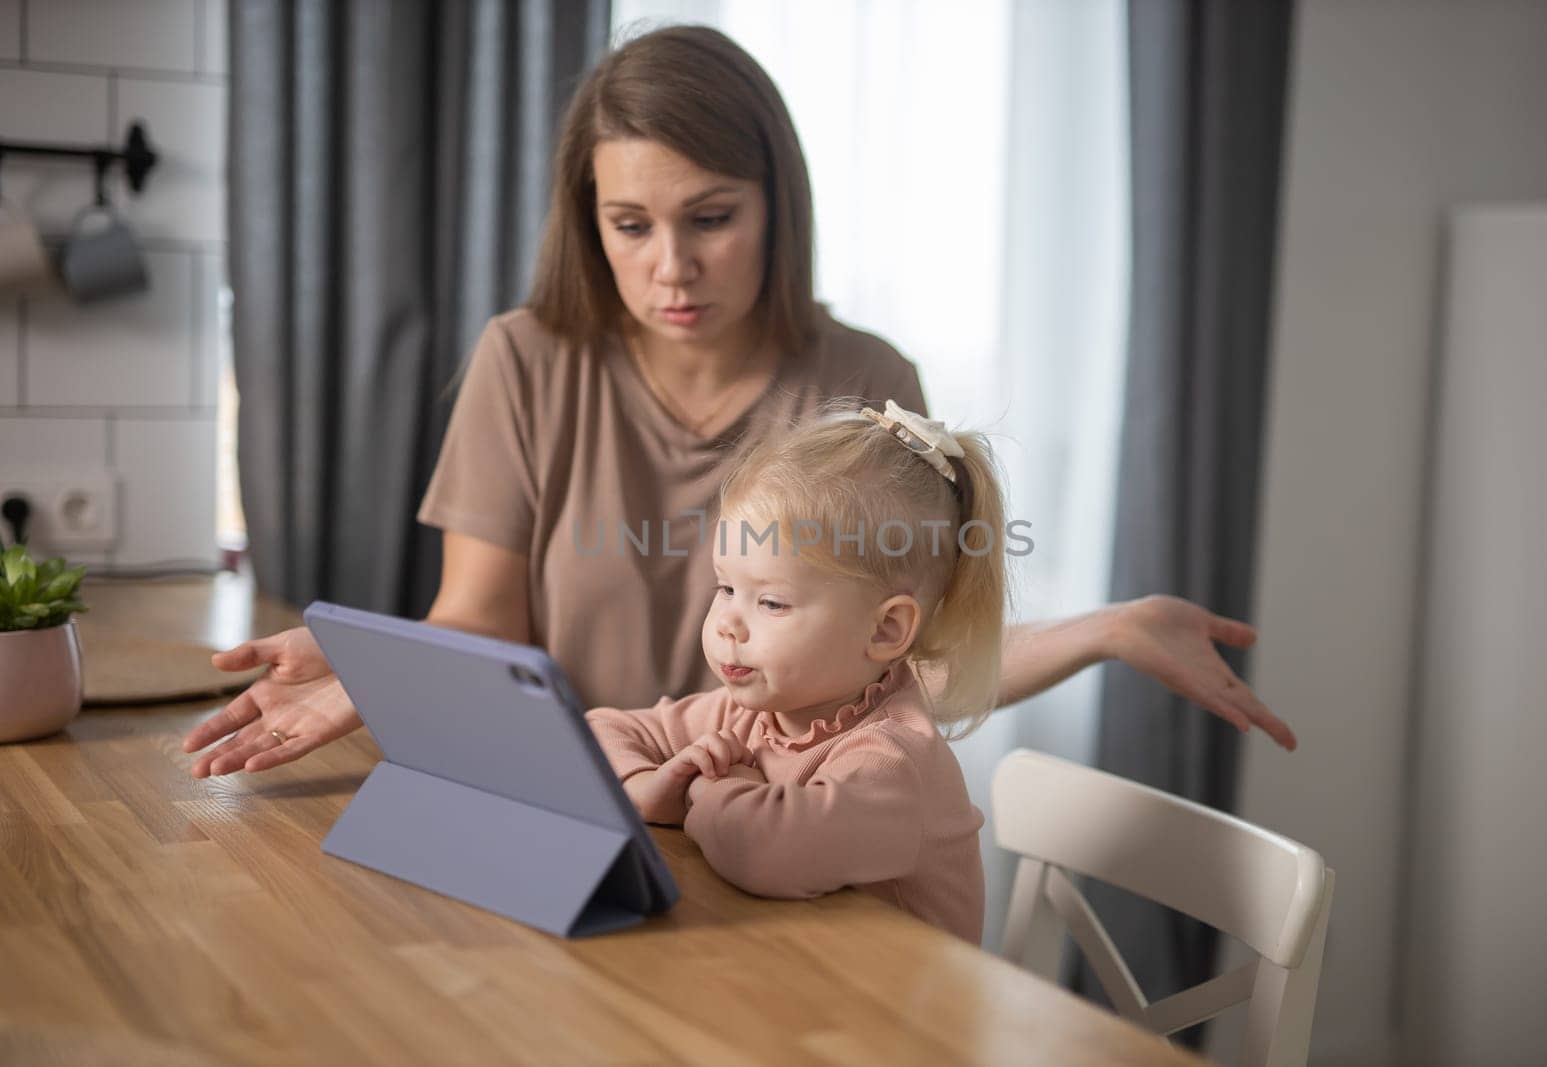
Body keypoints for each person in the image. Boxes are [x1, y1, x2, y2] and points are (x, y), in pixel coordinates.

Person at [184, 24, 1294, 780]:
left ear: (776, 204)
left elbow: (915, 664)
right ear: (591, 223)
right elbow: (481, 619)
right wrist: (378, 668)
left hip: (792, 840)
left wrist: (1110, 625)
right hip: (588, 812)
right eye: (631, 226)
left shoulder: (867, 387)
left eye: (710, 218)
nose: (671, 265)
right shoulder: (524, 360)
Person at [587, 399, 1003, 942]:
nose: (728, 626)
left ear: (884, 631)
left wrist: (704, 789)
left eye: (773, 603)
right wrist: (646, 785)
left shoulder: (895, 763)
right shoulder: (750, 712)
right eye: (727, 588)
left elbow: (764, 850)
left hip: (899, 1017)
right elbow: (599, 729)